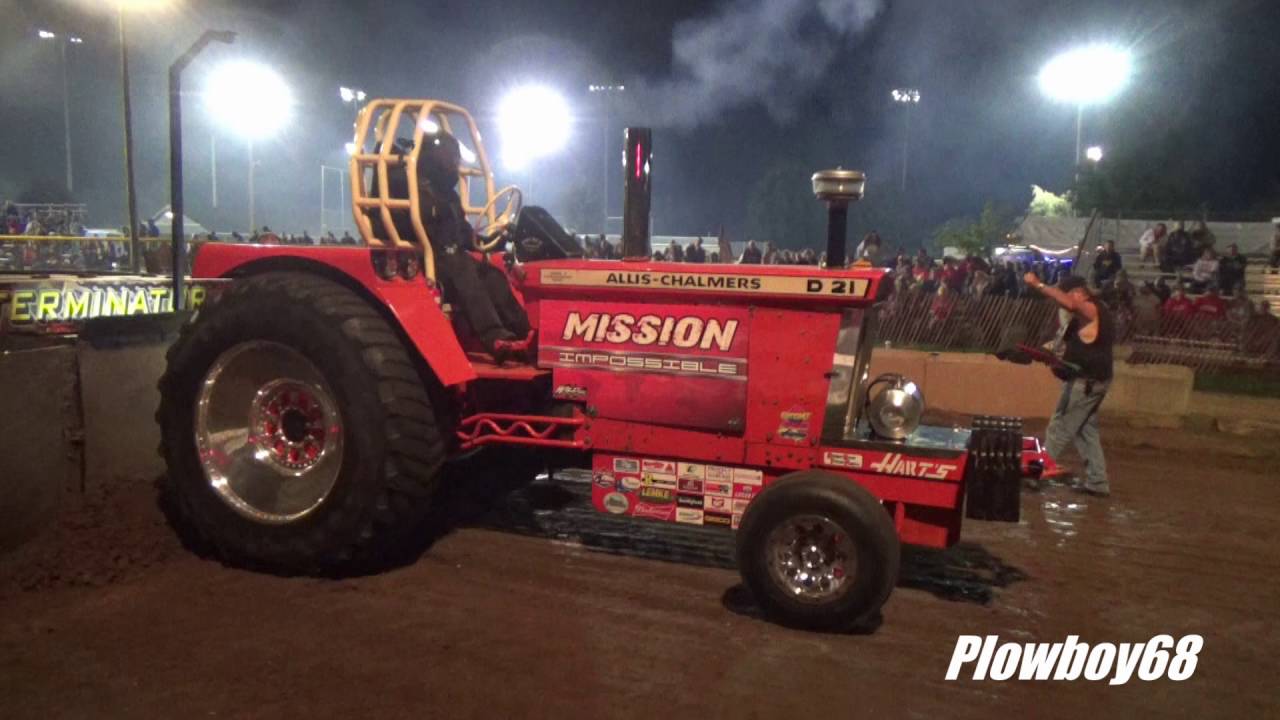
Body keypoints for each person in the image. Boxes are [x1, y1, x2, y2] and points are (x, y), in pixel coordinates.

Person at [417, 128, 530, 357]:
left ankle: (523, 332)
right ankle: (495, 338)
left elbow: (466, 235)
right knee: (464, 268)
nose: (457, 162)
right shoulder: (415, 191)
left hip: (453, 258)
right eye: (452, 156)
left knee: (492, 275)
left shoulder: (448, 195)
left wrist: (495, 240)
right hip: (429, 257)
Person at [1023, 274, 1114, 497]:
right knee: (1085, 431)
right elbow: (1063, 348)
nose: (1062, 304)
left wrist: (1038, 284)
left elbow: (1071, 303)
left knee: (1059, 427)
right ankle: (1098, 482)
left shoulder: (1093, 309)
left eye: (1065, 295)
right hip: (1090, 381)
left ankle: (1036, 474)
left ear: (1079, 292)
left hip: (1086, 384)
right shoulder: (1084, 319)